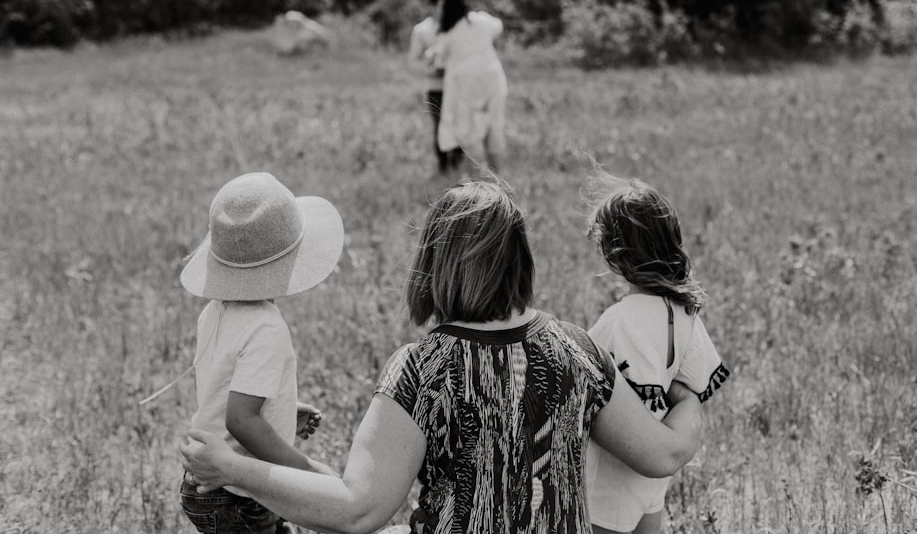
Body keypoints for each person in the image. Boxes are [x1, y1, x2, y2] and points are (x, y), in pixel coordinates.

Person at [181, 179, 704, 534]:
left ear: (434, 262)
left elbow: (359, 510)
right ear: (520, 260)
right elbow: (663, 456)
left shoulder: (424, 369)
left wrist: (233, 468)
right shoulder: (579, 351)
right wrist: (690, 396)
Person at [177, 172, 344, 533]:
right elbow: (240, 420)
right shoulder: (266, 327)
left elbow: (224, 392)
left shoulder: (214, 311)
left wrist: (280, 409)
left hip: (205, 484)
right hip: (239, 493)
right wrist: (303, 469)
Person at [583, 173, 728, 534]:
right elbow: (696, 384)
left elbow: (597, 396)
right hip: (651, 479)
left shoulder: (620, 320)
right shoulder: (684, 312)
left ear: (614, 254)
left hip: (610, 478)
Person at [434, 0, 508, 172]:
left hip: (466, 83)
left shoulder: (448, 32)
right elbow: (498, 28)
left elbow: (439, 62)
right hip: (493, 77)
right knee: (495, 125)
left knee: (470, 131)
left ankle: (480, 180)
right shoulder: (481, 20)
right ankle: (498, 178)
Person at [408, 0, 460, 174]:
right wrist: (431, 70)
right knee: (439, 125)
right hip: (435, 86)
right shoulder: (422, 30)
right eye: (439, 6)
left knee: (458, 124)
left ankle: (458, 163)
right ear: (432, 7)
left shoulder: (457, 27)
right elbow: (414, 60)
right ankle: (443, 165)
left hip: (457, 85)